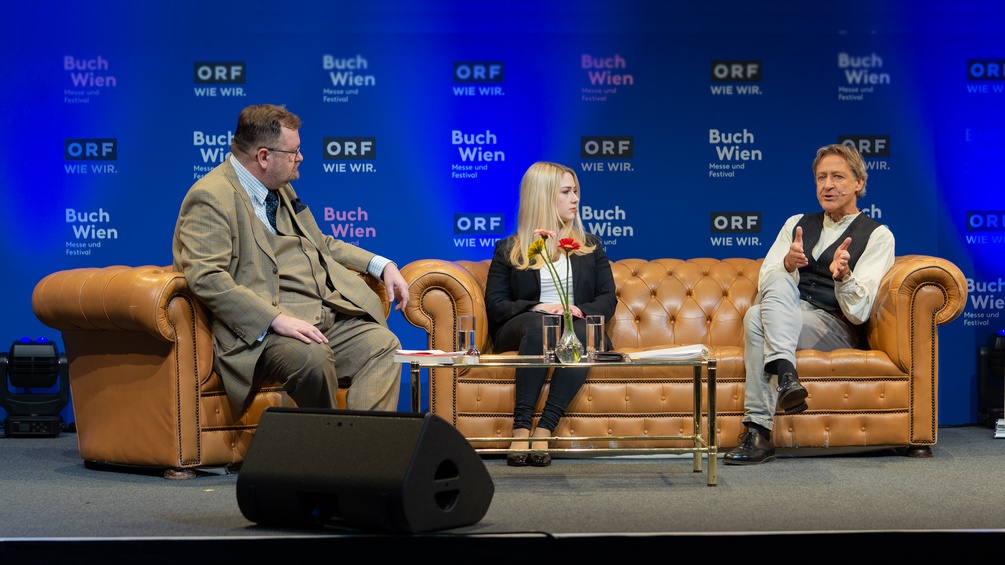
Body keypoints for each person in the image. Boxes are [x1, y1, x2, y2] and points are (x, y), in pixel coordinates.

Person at [172, 103, 409, 414]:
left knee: (383, 346)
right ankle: (325, 450)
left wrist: (382, 264)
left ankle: (359, 454)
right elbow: (207, 278)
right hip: (264, 334)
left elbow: (320, 243)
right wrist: (274, 319)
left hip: (320, 316)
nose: (301, 158)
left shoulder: (280, 188)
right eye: (293, 152)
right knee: (313, 357)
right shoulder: (211, 197)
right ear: (263, 156)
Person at [723, 143, 895, 465]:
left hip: (834, 324)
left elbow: (859, 314)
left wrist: (844, 277)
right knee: (770, 286)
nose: (827, 185)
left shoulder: (878, 236)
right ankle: (786, 376)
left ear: (859, 182)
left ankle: (758, 430)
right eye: (821, 177)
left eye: (837, 177)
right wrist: (789, 265)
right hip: (789, 314)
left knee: (755, 319)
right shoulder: (796, 223)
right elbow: (767, 282)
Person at [485, 161, 617, 467]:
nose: (576, 199)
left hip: (578, 326)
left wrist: (577, 310)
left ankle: (544, 428)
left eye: (576, 192)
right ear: (544, 196)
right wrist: (535, 306)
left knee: (580, 331)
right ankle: (520, 428)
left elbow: (608, 298)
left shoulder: (591, 246)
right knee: (541, 323)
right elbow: (496, 304)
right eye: (567, 192)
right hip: (525, 327)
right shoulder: (510, 249)